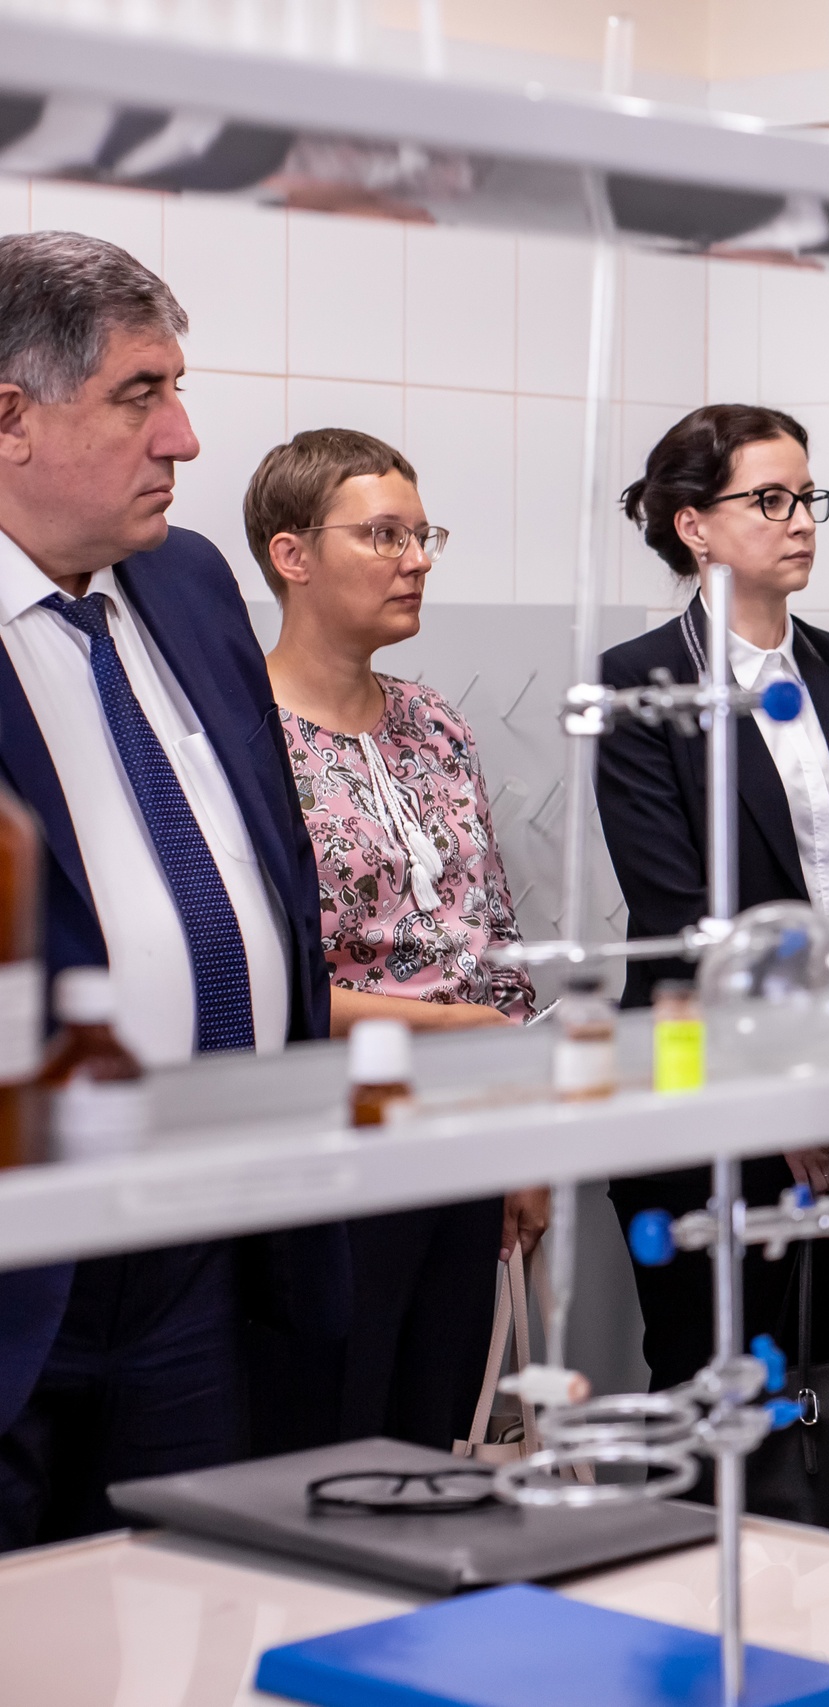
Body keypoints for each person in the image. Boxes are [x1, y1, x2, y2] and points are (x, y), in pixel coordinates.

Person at [0, 232, 335, 1545]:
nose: (184, 438)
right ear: (11, 418)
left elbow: (278, 868)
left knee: (191, 1598)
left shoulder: (189, 582)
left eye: (176, 390)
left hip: (211, 1245)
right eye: (139, 394)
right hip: (28, 1251)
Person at [250, 426, 551, 1449]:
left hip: (462, 1134)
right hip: (331, 1140)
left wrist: (522, 1133)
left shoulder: (434, 722)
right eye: (384, 534)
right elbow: (260, 979)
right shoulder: (243, 735)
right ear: (292, 554)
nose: (416, 559)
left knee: (439, 1432)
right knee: (330, 1432)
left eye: (423, 536)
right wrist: (450, 1029)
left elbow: (494, 936)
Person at [597, 403, 829, 1396]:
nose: (800, 519)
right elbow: (682, 921)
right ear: (694, 525)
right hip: (709, 1080)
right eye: (769, 499)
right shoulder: (639, 685)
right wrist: (786, 1107)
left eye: (807, 496)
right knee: (714, 1382)